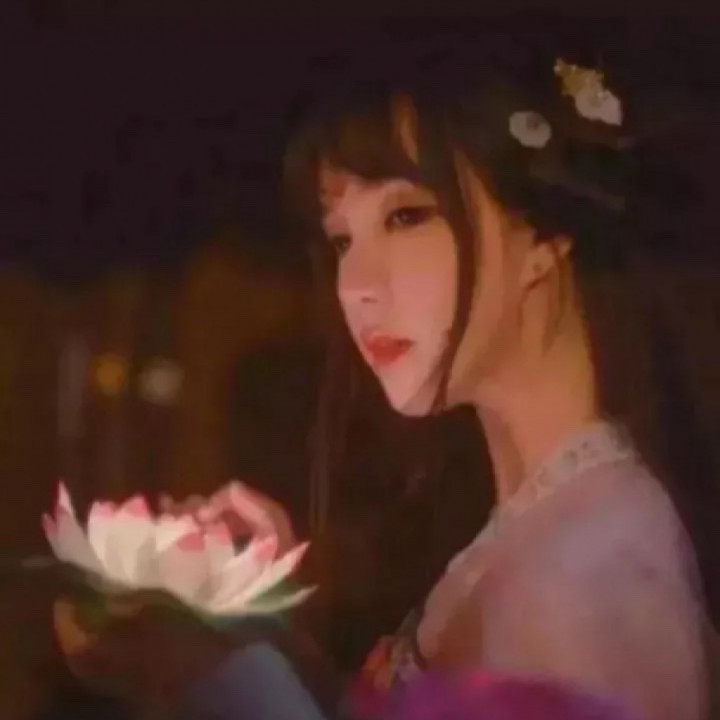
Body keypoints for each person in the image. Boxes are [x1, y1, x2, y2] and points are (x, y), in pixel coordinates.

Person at [55, 46, 715, 720]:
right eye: (342, 239)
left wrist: (224, 678)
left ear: (546, 234)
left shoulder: (591, 577)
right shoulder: (544, 517)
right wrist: (257, 630)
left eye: (405, 216)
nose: (356, 287)